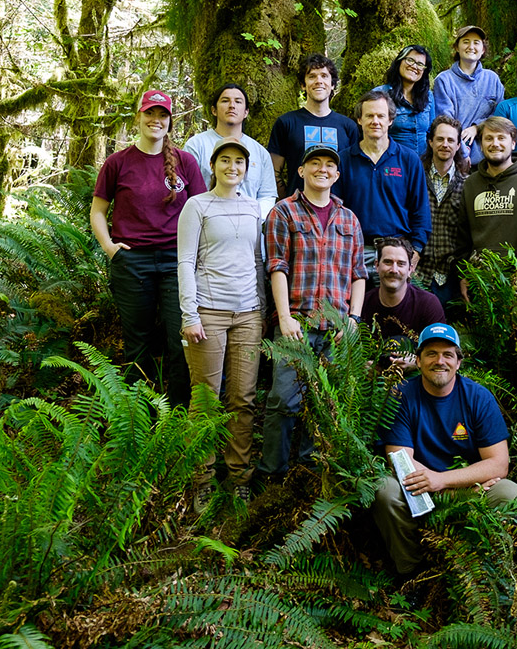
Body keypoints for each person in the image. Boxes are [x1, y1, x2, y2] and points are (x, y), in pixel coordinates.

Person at [373, 323, 517, 578]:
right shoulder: (400, 395)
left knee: (512, 493)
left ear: (458, 362)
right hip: (418, 490)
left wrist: (443, 482)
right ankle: (412, 574)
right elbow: (400, 460)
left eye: (448, 354)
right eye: (431, 353)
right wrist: (436, 485)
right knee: (383, 489)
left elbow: (499, 464)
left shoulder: (478, 397)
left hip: (468, 492)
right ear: (418, 361)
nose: (439, 361)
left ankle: (482, 575)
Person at [91, 89, 206, 406]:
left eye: (162, 115)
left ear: (170, 121)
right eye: (150, 114)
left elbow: (203, 211)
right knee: (137, 344)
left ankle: (180, 418)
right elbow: (98, 211)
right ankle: (138, 419)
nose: (156, 120)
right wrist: (111, 248)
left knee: (179, 340)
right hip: (133, 264)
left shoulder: (185, 162)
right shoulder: (118, 162)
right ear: (138, 117)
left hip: (176, 264)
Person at [261, 144, 367, 476]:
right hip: (296, 324)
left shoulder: (349, 219)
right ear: (302, 171)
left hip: (335, 328)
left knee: (325, 403)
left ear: (337, 175)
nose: (322, 169)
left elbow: (358, 273)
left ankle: (309, 470)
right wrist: (285, 317)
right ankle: (273, 472)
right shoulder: (283, 212)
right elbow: (277, 267)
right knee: (284, 401)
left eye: (329, 165)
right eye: (314, 163)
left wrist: (353, 318)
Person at [177, 137, 266, 507]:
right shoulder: (196, 206)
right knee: (205, 399)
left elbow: (259, 262)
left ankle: (239, 475)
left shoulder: (254, 210)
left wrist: (261, 308)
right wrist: (189, 314)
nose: (232, 167)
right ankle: (201, 478)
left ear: (247, 169)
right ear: (212, 166)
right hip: (208, 314)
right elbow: (184, 262)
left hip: (248, 315)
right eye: (225, 160)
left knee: (242, 399)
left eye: (239, 162)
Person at [456, 116, 517, 300]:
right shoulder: (471, 184)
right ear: (482, 144)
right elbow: (463, 236)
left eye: (501, 138)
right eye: (489, 138)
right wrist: (463, 274)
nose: (495, 144)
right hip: (480, 281)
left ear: (513, 143)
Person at [337, 89, 431, 274]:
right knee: (356, 304)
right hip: (354, 253)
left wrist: (417, 249)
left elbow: (420, 209)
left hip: (396, 252)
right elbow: (334, 211)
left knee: (394, 304)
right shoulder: (343, 160)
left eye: (381, 115)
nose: (375, 121)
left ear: (390, 120)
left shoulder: (409, 160)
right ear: (359, 119)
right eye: (369, 115)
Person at [268, 54, 360, 197]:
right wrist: (289, 202)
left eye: (324, 76)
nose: (319, 81)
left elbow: (354, 173)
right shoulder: (286, 123)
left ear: (333, 84)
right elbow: (273, 172)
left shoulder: (348, 126)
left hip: (337, 212)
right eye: (312, 76)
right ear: (303, 85)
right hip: (297, 212)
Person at [184, 83, 277, 216]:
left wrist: (253, 219)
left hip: (250, 229)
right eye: (225, 100)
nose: (232, 105)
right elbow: (185, 192)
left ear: (246, 112)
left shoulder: (260, 152)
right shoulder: (196, 146)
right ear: (213, 110)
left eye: (238, 102)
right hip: (206, 226)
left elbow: (267, 195)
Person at [362, 236, 446, 372]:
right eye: (388, 262)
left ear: (410, 269)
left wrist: (417, 363)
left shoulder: (428, 304)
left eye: (401, 264)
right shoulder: (364, 303)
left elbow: (443, 352)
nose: (394, 270)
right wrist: (362, 366)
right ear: (377, 266)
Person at [416, 115, 469, 312]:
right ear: (430, 142)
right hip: (419, 273)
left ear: (457, 145)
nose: (445, 144)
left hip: (452, 277)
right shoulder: (416, 180)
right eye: (440, 139)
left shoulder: (467, 184)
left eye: (450, 140)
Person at [433, 25, 505, 164]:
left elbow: (500, 115)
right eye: (466, 41)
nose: (471, 46)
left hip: (489, 158)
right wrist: (462, 154)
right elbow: (445, 122)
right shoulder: (444, 80)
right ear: (456, 47)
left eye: (476, 42)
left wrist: (477, 127)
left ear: (483, 49)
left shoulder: (492, 79)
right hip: (455, 158)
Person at [378, 45, 435, 155]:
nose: (414, 66)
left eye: (420, 64)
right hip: (392, 163)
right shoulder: (381, 94)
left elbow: (432, 131)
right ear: (399, 61)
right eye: (410, 60)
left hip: (421, 164)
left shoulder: (428, 96)